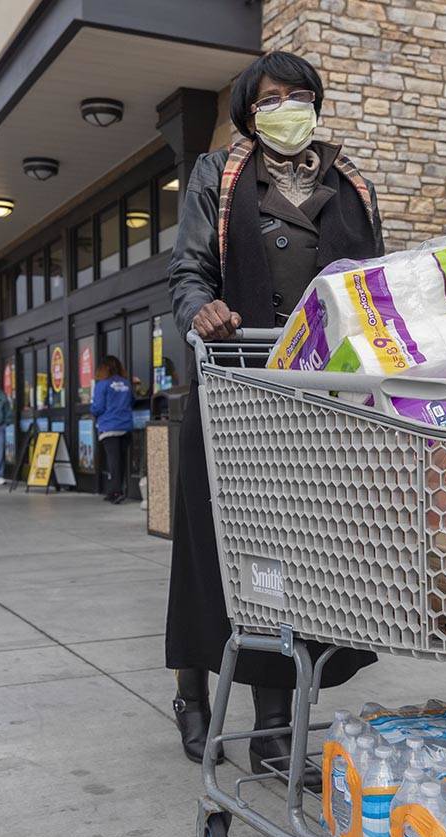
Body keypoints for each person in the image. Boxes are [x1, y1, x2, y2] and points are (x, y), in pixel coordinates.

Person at [165, 51, 384, 783]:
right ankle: (192, 693)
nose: (285, 107)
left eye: (298, 95)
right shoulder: (218, 178)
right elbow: (189, 272)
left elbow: (376, 292)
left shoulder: (350, 184)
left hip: (316, 406)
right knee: (211, 559)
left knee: (291, 565)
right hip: (234, 392)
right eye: (269, 99)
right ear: (247, 115)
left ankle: (270, 730)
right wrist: (206, 309)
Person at [91, 356, 134, 504]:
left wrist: (91, 410)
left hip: (109, 427)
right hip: (126, 426)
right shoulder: (126, 383)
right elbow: (131, 401)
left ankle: (115, 492)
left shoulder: (102, 385)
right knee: (120, 461)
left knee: (113, 461)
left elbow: (98, 407)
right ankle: (114, 490)